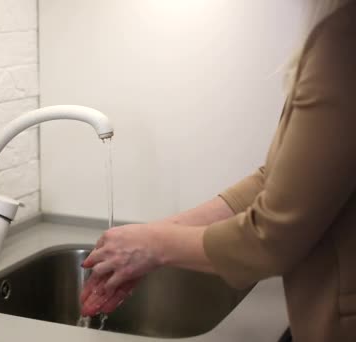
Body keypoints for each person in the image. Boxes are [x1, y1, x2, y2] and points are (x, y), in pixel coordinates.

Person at [79, 1, 356, 341]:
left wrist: (152, 245)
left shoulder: (344, 39)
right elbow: (279, 177)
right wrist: (150, 235)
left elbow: (271, 239)